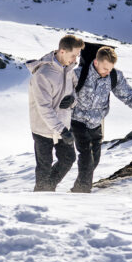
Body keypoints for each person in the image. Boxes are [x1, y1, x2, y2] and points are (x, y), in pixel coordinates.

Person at [67, 46, 132, 193]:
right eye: (105, 68)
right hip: (77, 121)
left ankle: (76, 191)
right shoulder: (78, 75)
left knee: (94, 160)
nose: (107, 72)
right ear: (96, 62)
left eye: (110, 69)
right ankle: (81, 194)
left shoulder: (114, 76)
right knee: (86, 157)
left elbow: (128, 96)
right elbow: (62, 95)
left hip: (96, 123)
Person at [26, 35, 84, 192]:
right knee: (44, 167)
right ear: (63, 51)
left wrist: (73, 100)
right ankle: (40, 197)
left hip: (62, 125)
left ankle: (47, 190)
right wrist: (63, 131)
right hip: (43, 129)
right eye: (73, 55)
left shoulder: (69, 70)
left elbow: (75, 91)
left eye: (77, 56)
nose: (75, 59)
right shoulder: (42, 74)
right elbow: (44, 107)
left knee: (68, 158)